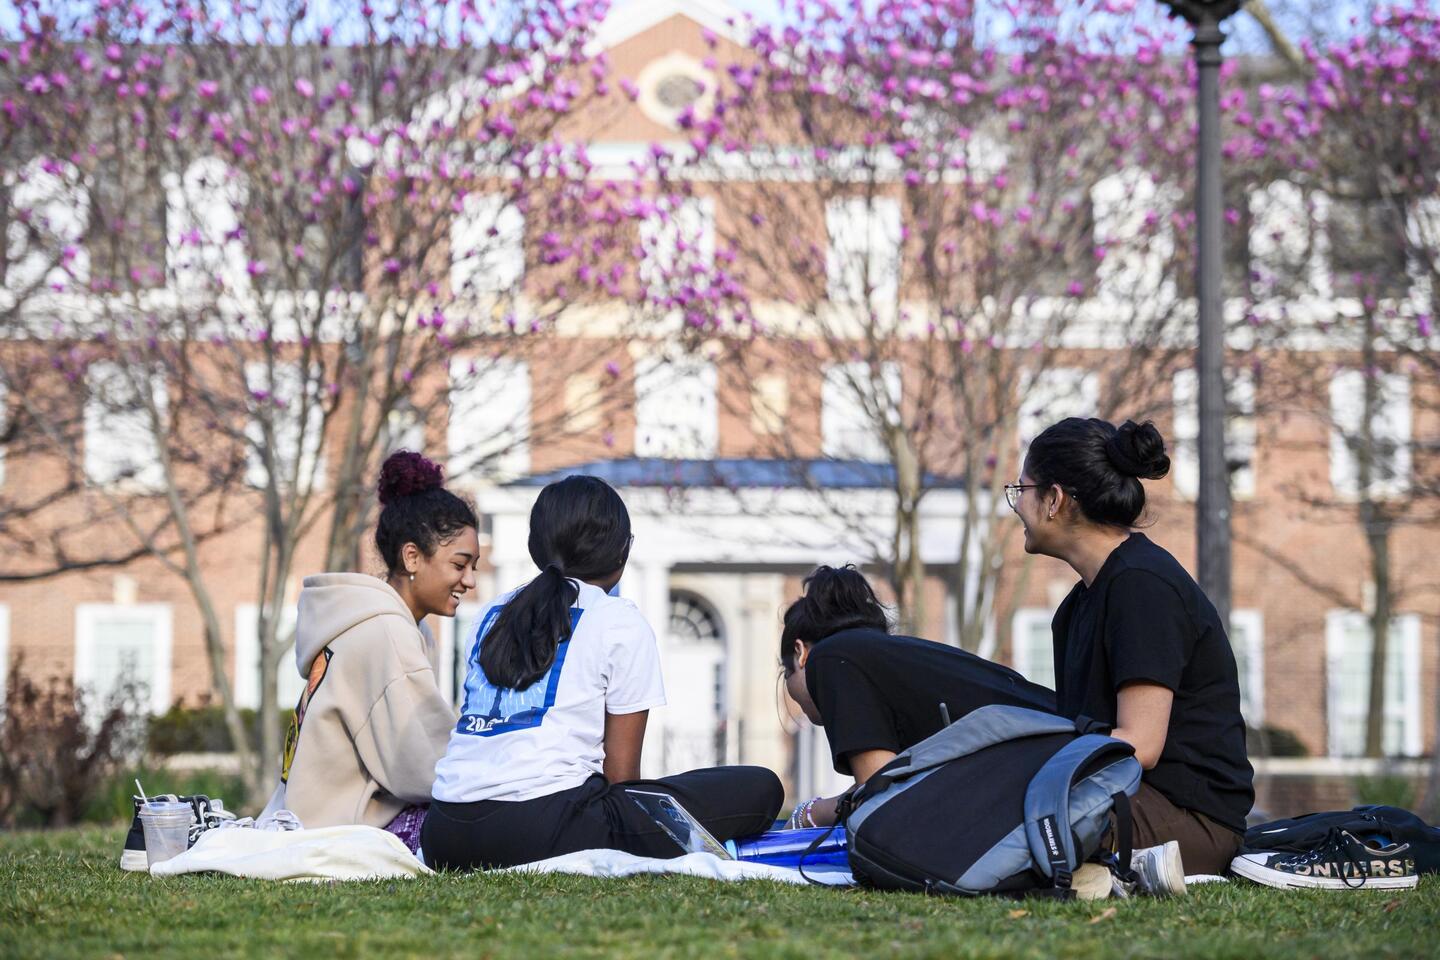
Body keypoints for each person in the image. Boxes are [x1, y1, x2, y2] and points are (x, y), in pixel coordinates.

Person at [422, 475, 783, 871]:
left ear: (536, 546)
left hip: (445, 832)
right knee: (760, 787)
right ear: (620, 551)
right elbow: (621, 778)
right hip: (540, 830)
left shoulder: (490, 614)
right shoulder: (617, 619)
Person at [1008, 416, 1254, 885]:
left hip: (1189, 817)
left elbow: (1140, 744)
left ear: (1055, 499)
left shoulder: (1142, 586)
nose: (1017, 505)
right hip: (1122, 796)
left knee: (1009, 819)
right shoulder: (1079, 605)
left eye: (1021, 489)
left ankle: (1118, 868)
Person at [260, 451, 477, 853]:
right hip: (339, 827)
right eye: (460, 565)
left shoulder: (378, 621)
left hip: (309, 815)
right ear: (412, 556)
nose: (470, 581)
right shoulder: (385, 631)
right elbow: (427, 767)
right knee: (484, 818)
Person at [780, 564, 1055, 829]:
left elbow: (879, 798)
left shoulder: (833, 657)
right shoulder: (885, 654)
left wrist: (808, 814)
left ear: (801, 653)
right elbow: (889, 783)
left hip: (1050, 782)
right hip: (1058, 764)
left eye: (785, 671)